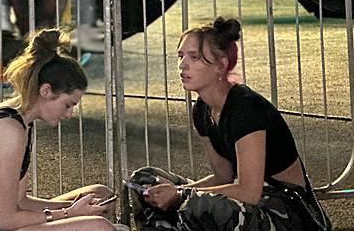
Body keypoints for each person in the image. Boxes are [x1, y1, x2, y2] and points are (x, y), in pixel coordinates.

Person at [129, 17, 331, 231]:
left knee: (196, 206)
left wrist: (181, 194)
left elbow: (249, 191)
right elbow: (222, 176)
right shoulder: (202, 109)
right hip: (246, 198)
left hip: (284, 208)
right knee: (145, 181)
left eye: (194, 57)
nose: (182, 65)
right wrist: (174, 190)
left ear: (220, 65)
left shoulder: (245, 108)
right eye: (180, 56)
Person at [0, 28, 121, 231]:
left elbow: (20, 202)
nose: (69, 115)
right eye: (68, 104)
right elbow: (7, 220)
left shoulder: (21, 121)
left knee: (100, 194)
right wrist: (71, 213)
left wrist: (78, 208)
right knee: (98, 227)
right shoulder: (9, 131)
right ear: (46, 91)